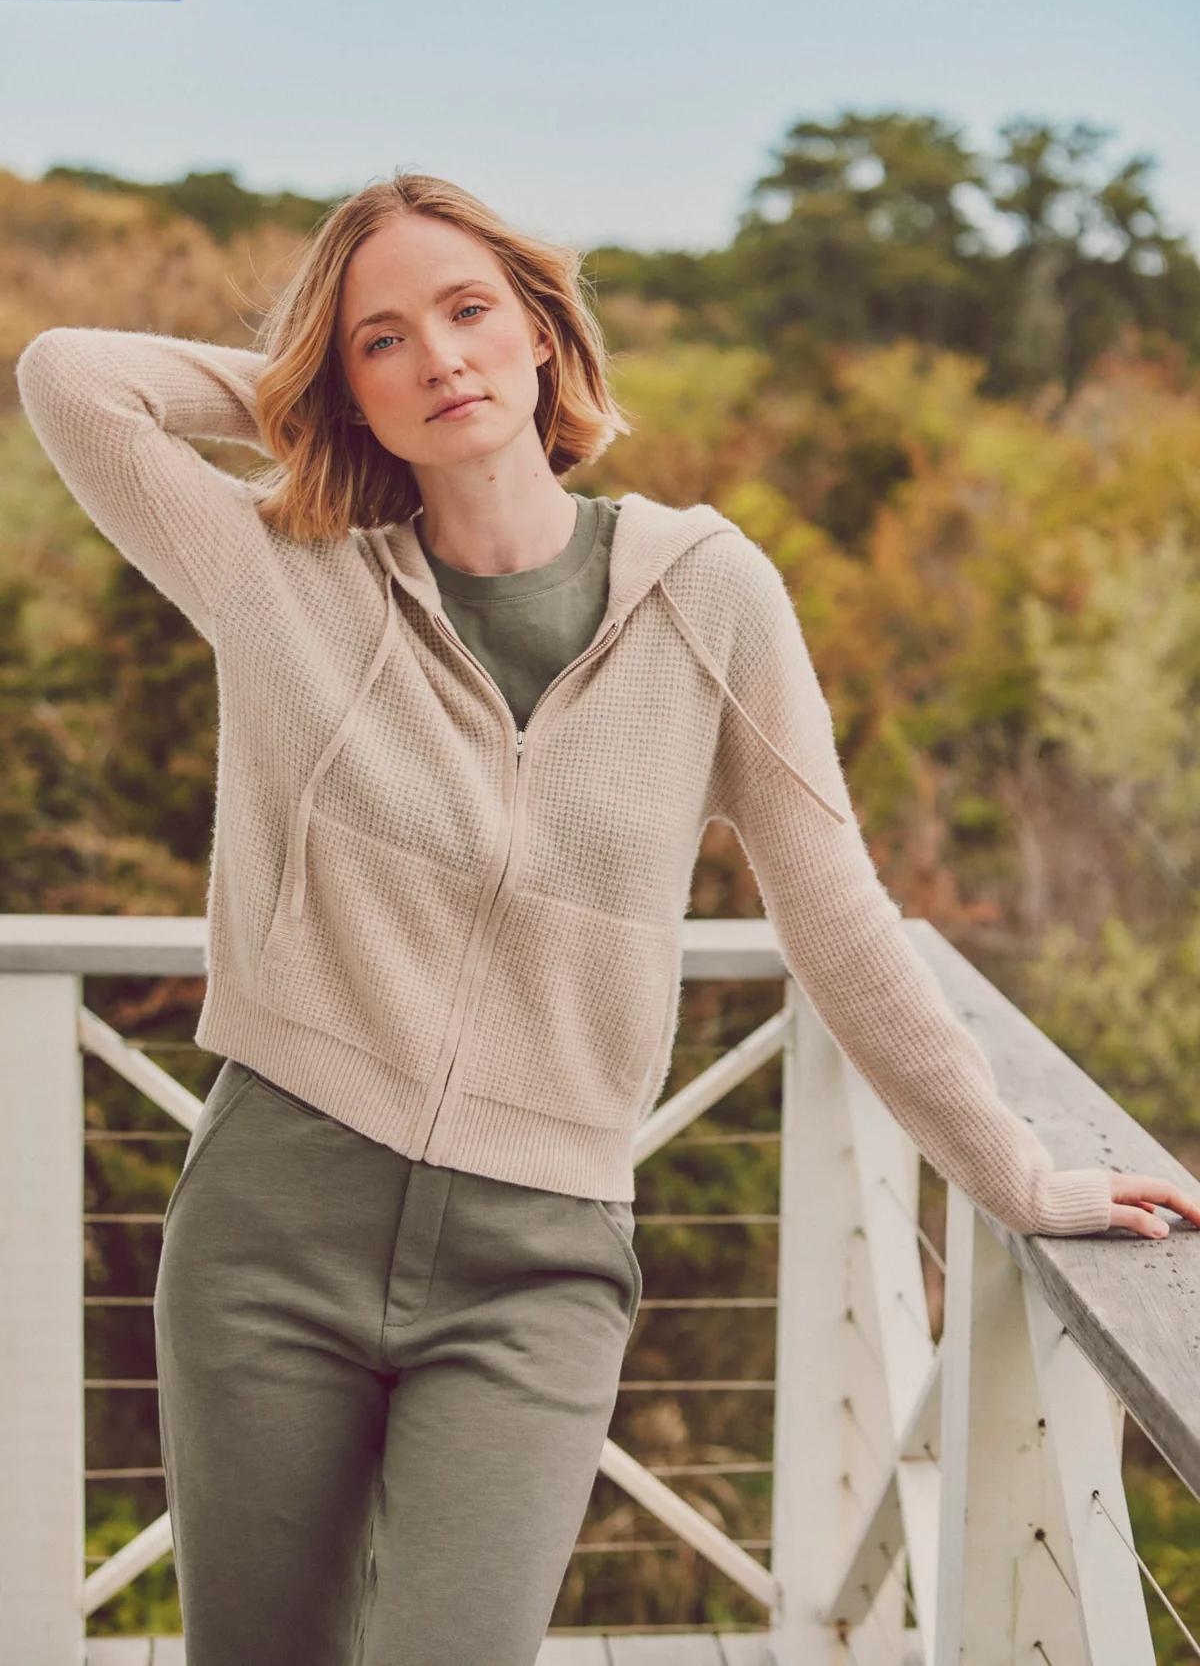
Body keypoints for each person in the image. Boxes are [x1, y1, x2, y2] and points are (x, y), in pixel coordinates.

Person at [15, 172, 1200, 1666]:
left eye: (469, 313)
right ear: (346, 383)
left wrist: (1017, 1175)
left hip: (539, 1256)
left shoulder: (709, 595)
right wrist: (314, 398)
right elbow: (67, 376)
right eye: (384, 340)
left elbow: (837, 913)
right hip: (271, 1224)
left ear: (544, 336)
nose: (442, 357)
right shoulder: (278, 572)